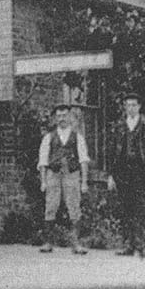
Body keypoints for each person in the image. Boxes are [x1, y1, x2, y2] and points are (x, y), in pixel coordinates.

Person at [107, 93, 145, 258]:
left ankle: (141, 245)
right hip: (122, 171)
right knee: (125, 208)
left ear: (139, 107)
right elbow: (111, 153)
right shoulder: (119, 128)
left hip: (139, 172)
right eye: (127, 105)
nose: (130, 108)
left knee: (140, 208)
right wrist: (111, 175)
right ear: (124, 107)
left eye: (133, 105)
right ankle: (127, 245)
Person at [37, 103, 90, 254]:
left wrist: (84, 182)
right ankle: (48, 242)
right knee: (51, 206)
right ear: (55, 118)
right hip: (53, 174)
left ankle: (76, 243)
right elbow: (43, 161)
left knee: (74, 207)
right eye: (59, 116)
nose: (62, 119)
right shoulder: (49, 137)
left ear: (70, 117)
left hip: (71, 174)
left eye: (64, 115)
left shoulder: (77, 137)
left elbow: (83, 160)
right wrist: (43, 181)